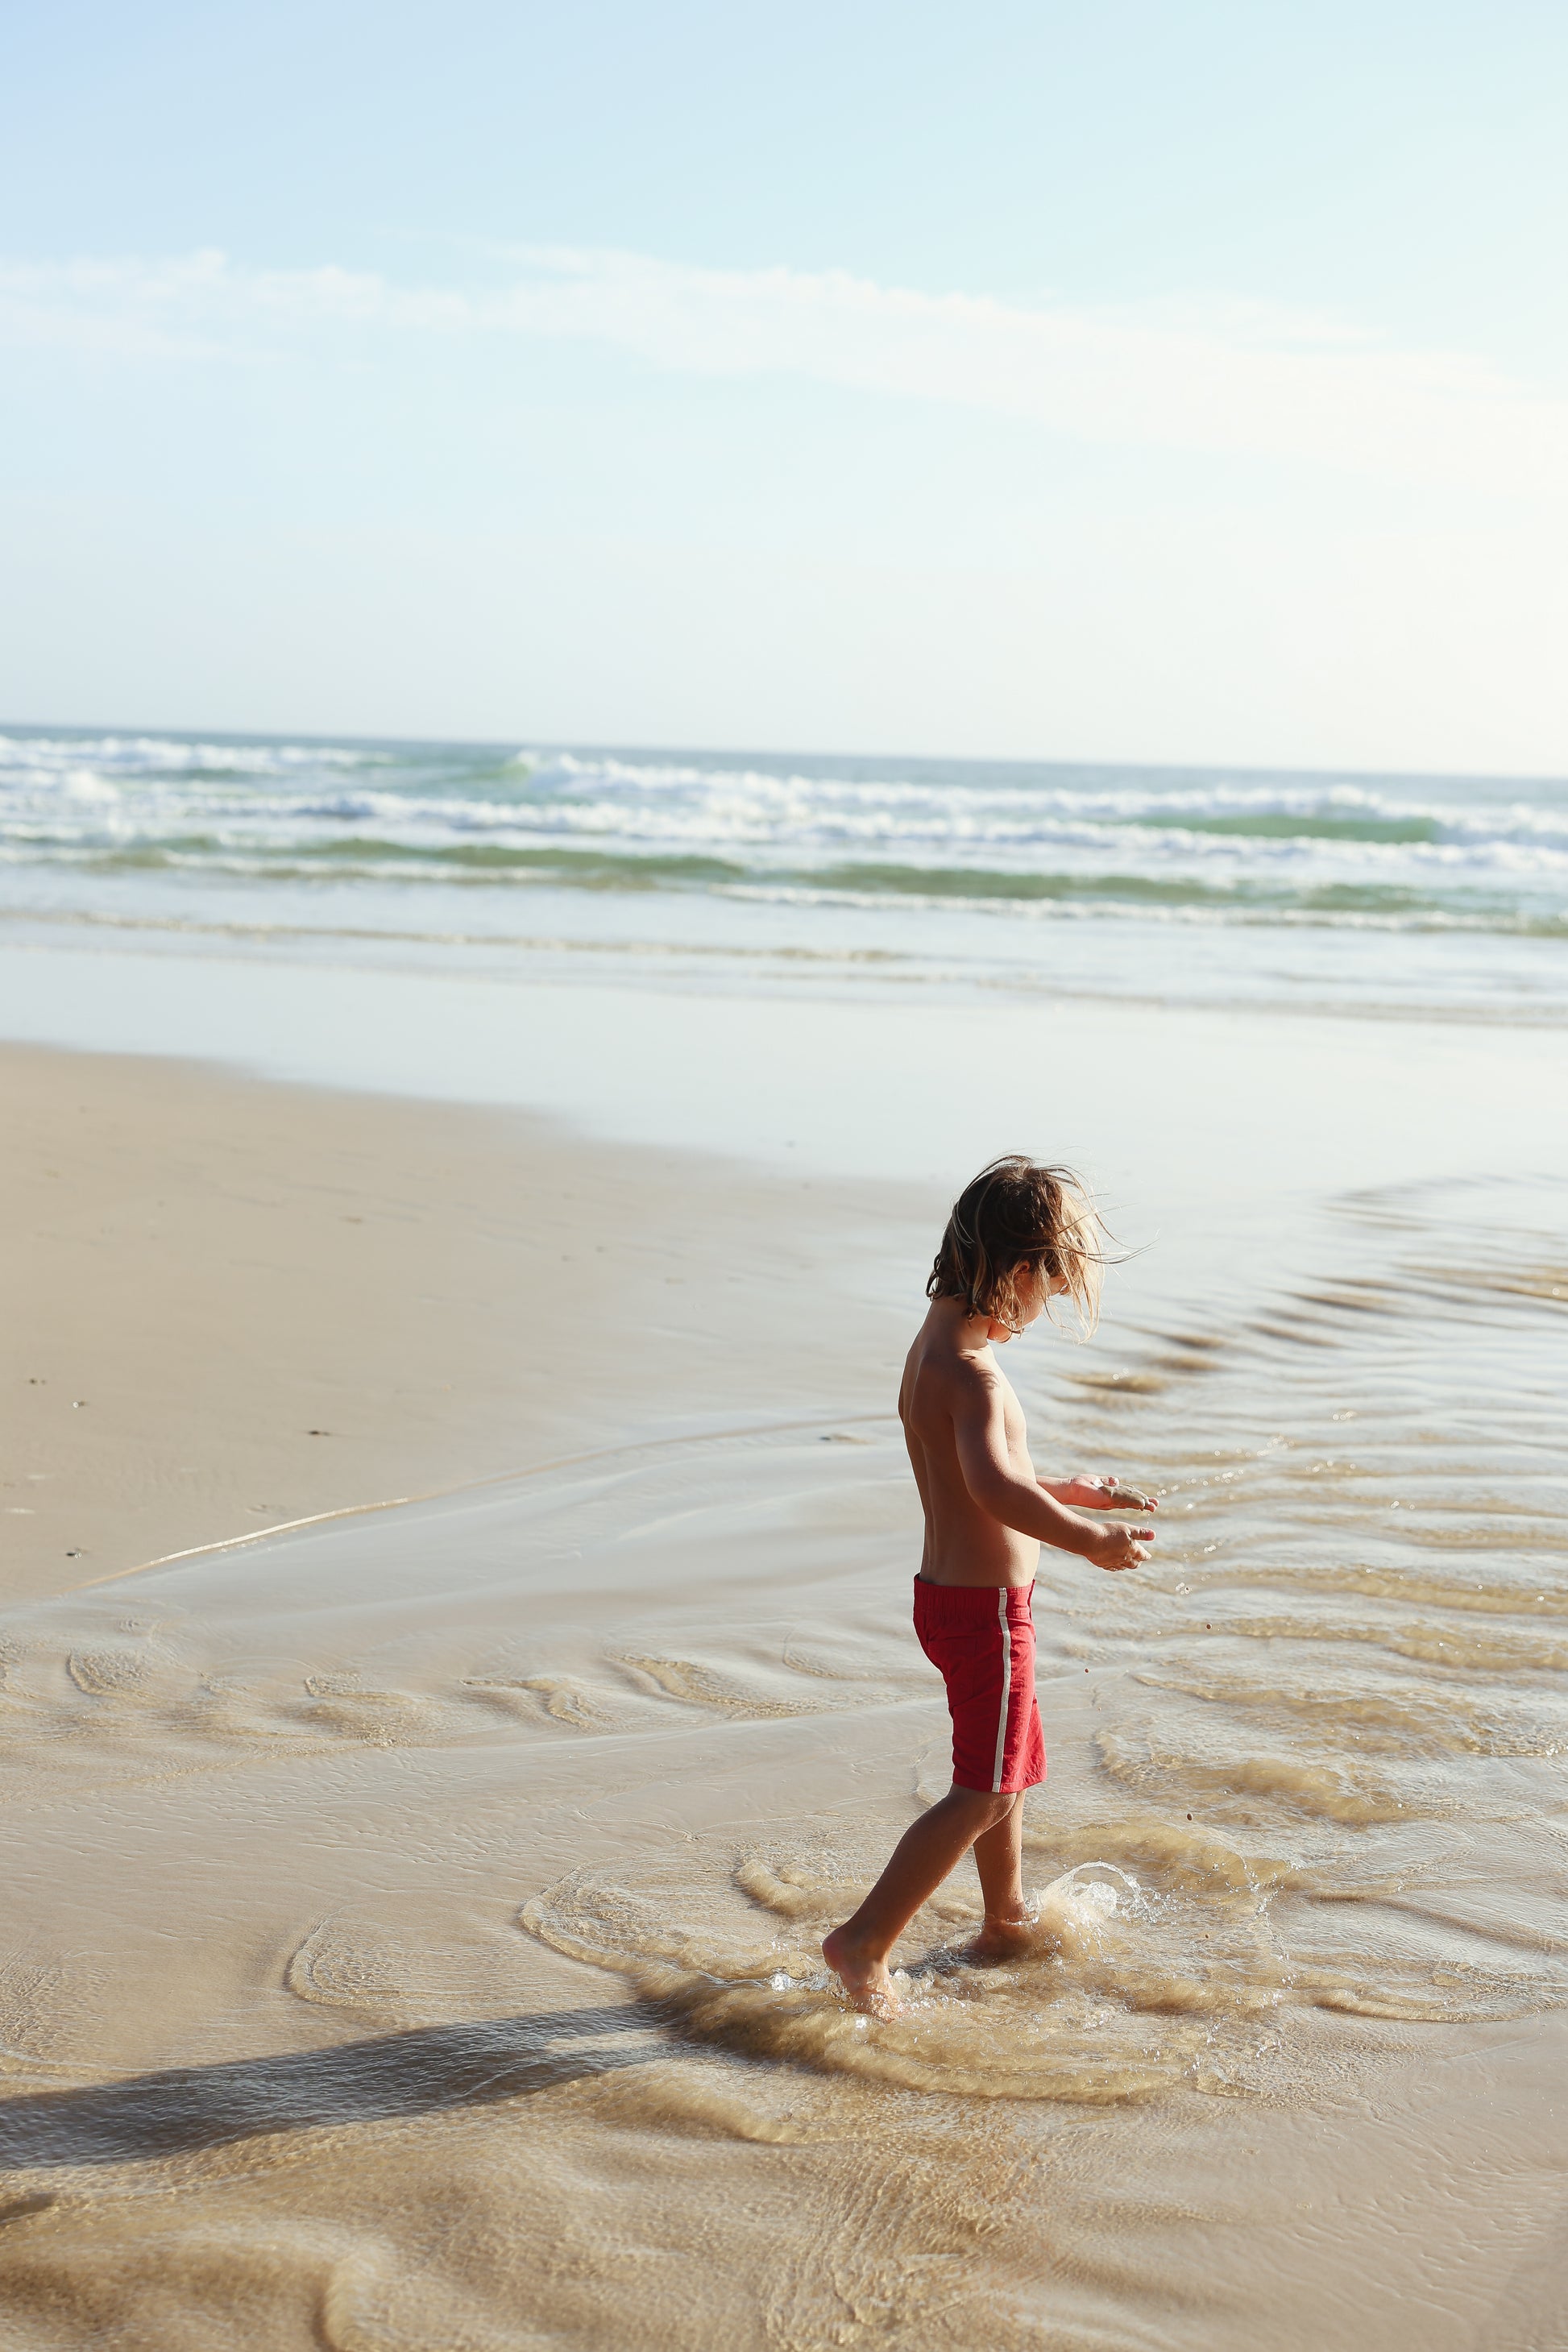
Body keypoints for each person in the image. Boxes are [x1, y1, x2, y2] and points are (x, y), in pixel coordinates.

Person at [822, 1155, 1155, 2014]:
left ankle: (1005, 1918)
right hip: (987, 1617)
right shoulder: (971, 1374)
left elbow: (981, 1475)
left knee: (1007, 1769)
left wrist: (1065, 1490)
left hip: (950, 1601)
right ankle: (863, 1942)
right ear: (1015, 1272)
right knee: (987, 1787)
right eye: (1051, 1287)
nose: (1044, 1307)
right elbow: (995, 1490)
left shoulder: (933, 1350)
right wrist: (1091, 1540)